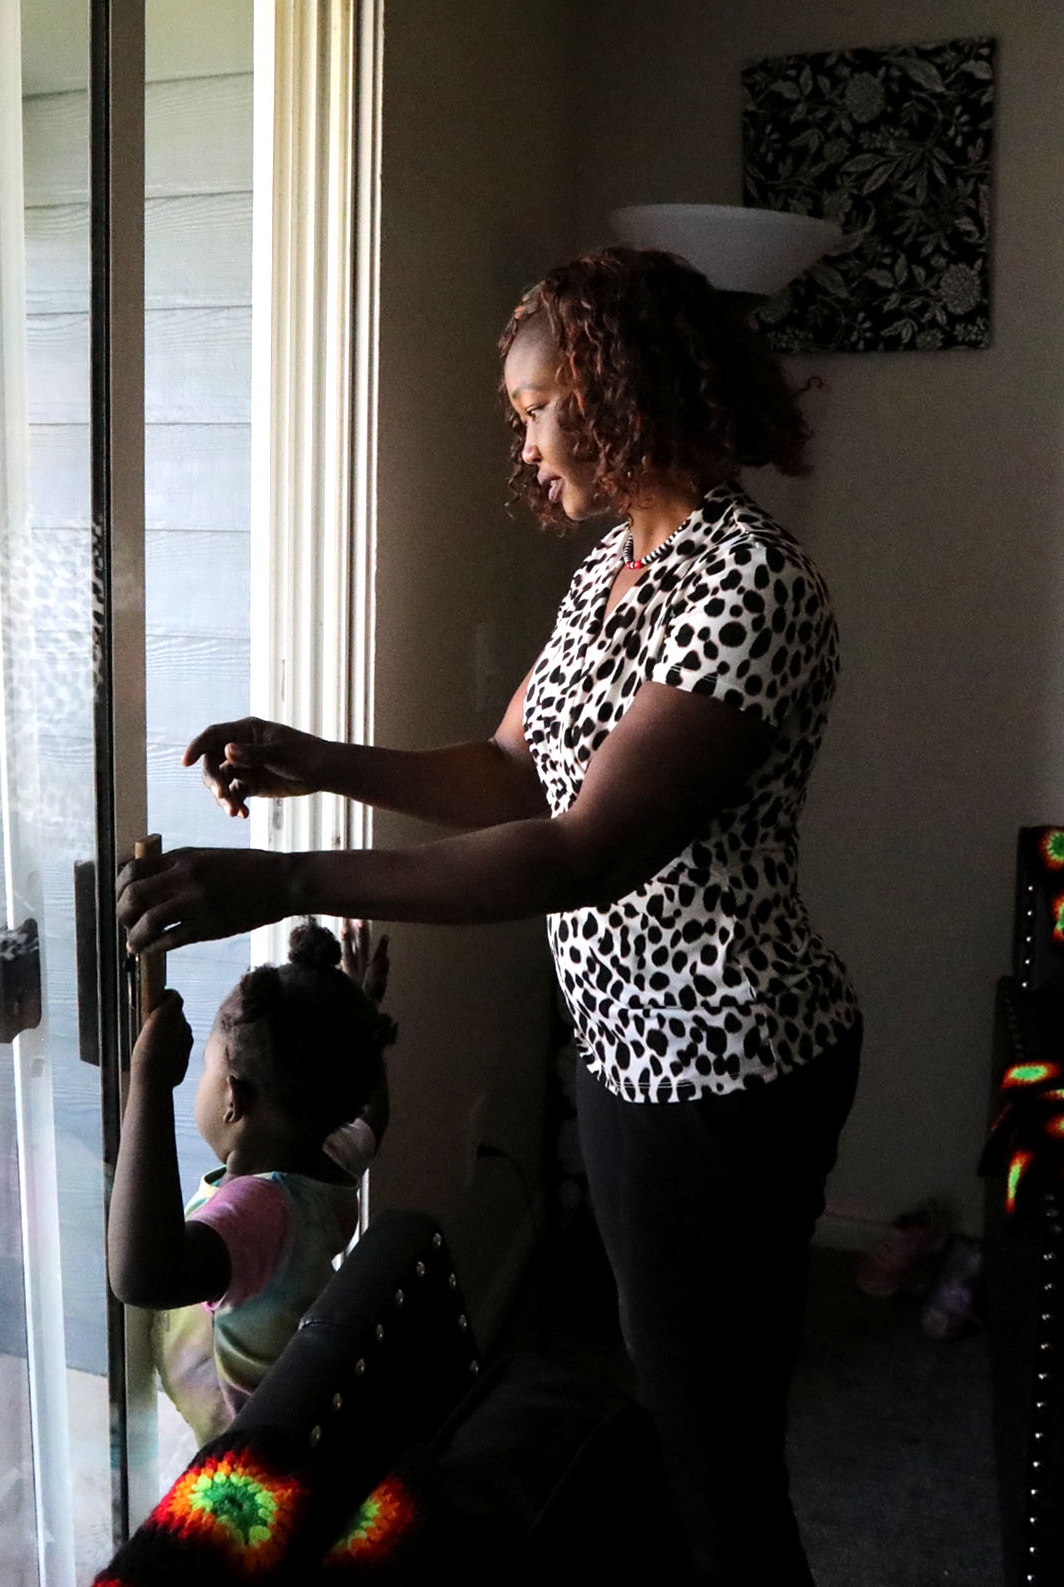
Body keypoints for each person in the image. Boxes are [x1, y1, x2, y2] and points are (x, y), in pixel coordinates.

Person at [117, 246, 859, 1586]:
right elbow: (514, 772)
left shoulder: (749, 585)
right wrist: (316, 759)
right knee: (676, 1403)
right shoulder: (618, 566)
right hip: (629, 1053)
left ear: (616, 393)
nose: (523, 446)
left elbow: (580, 850)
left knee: (714, 1449)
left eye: (535, 409)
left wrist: (286, 883)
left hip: (725, 1073)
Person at [109, 921, 398, 1443]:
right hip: (307, 1426)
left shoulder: (256, 1215)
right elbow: (372, 1118)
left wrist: (149, 1080)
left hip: (248, 1462)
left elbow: (143, 1277)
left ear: (232, 1099)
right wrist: (360, 1019)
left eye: (205, 1070)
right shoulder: (326, 1167)